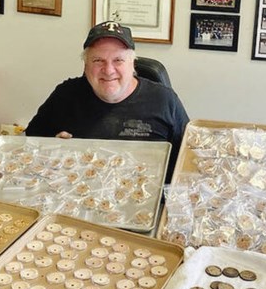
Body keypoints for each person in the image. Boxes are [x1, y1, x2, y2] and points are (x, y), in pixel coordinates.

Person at [25, 21, 190, 178]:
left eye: (118, 60)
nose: (109, 70)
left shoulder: (164, 100)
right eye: (98, 61)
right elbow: (30, 143)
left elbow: (189, 161)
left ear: (132, 64)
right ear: (85, 65)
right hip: (77, 197)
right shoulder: (65, 95)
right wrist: (51, 148)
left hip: (145, 197)